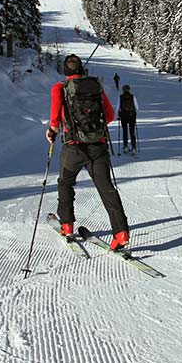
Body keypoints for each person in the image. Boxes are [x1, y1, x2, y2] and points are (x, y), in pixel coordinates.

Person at [46, 54, 130, 251]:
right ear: (82, 69)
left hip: (73, 147)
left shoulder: (60, 88)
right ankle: (121, 233)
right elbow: (109, 115)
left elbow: (55, 119)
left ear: (65, 71)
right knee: (106, 189)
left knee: (65, 182)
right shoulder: (95, 87)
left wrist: (53, 131)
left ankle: (67, 225)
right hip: (98, 147)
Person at [116, 84, 140, 154]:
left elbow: (117, 108)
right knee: (132, 132)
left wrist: (118, 115)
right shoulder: (132, 97)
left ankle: (125, 146)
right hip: (131, 116)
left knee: (125, 131)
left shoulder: (120, 97)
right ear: (129, 89)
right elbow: (137, 107)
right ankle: (133, 147)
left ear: (123, 90)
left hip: (123, 116)